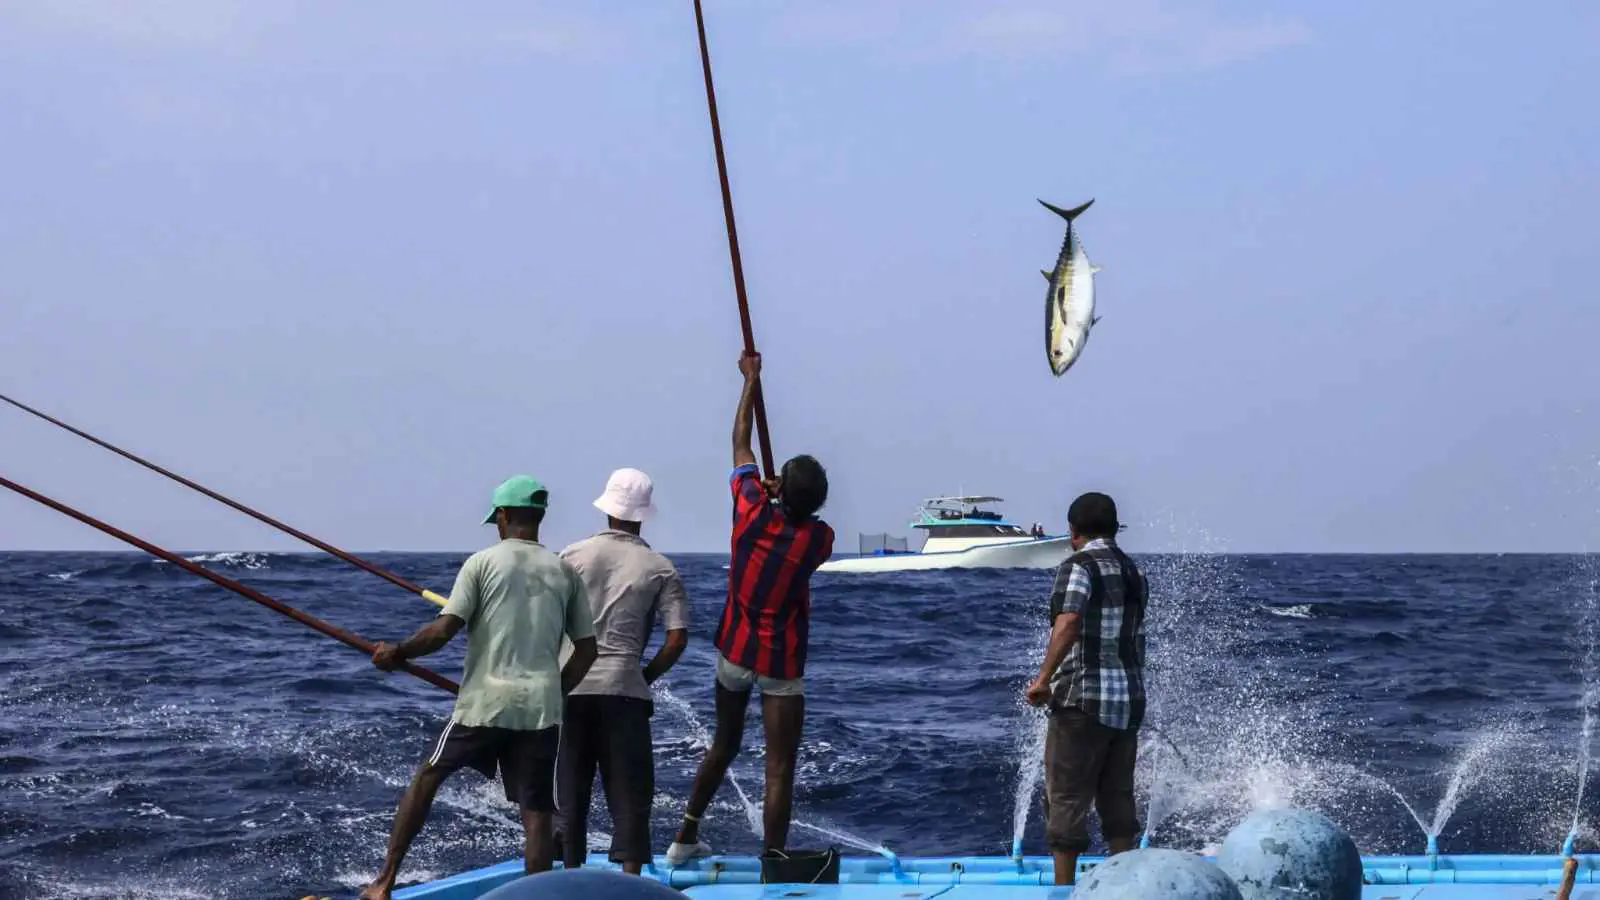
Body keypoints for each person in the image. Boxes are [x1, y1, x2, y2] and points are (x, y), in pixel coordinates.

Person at [360, 475, 598, 900]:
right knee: (537, 812)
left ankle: (385, 880)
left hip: (484, 704)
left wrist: (397, 652)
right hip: (541, 709)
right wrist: (556, 689)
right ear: (539, 517)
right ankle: (538, 895)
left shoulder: (482, 563)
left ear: (503, 517)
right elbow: (587, 649)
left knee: (429, 776)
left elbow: (442, 631)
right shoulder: (565, 571)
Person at [666, 353, 834, 864]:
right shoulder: (819, 539)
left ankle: (684, 838)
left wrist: (750, 381)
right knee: (780, 765)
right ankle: (774, 857)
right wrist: (782, 491)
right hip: (781, 661)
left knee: (724, 743)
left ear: (778, 487)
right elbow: (803, 520)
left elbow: (739, 443)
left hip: (734, 652)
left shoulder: (749, 512)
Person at [555, 467, 690, 874]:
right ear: (643, 515)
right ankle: (630, 885)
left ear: (607, 509)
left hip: (570, 688)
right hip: (626, 690)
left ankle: (569, 879)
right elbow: (677, 639)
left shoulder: (571, 556)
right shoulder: (660, 567)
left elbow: (547, 621)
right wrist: (643, 676)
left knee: (568, 797)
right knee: (630, 800)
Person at [1024, 491, 1147, 886]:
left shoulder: (1078, 565)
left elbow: (1069, 623)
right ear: (1114, 529)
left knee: (1066, 798)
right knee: (1118, 798)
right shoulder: (1133, 571)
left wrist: (1043, 680)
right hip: (1127, 701)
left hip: (1081, 701)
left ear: (1073, 532)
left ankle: (1064, 890)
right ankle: (1127, 886)